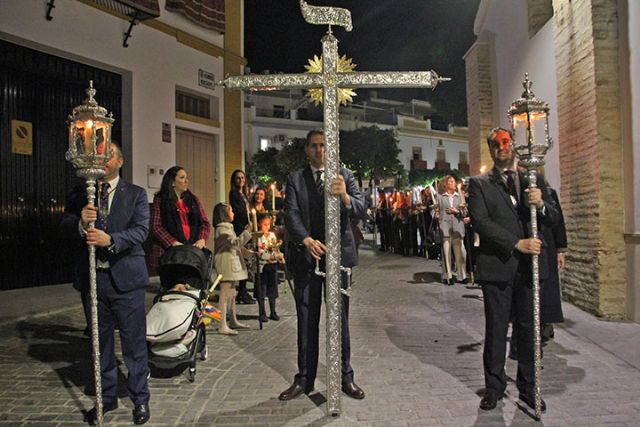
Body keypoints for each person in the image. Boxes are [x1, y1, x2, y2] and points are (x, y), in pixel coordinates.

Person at [468, 127, 558, 413]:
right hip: (498, 267)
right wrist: (516, 243)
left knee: (528, 330)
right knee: (495, 329)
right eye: (496, 144)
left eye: (506, 142)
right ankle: (494, 387)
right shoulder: (479, 184)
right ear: (491, 149)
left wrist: (540, 204)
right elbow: (481, 222)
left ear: (513, 146)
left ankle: (530, 388)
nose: (502, 147)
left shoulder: (535, 180)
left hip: (530, 269)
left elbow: (554, 218)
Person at [60, 144, 151, 425]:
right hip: (93, 282)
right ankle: (106, 398)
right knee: (101, 345)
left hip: (126, 280)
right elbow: (63, 224)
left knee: (134, 344)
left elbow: (141, 231)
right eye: (100, 152)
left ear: (120, 161)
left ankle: (140, 399)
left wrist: (111, 240)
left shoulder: (135, 194)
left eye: (108, 153)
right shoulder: (81, 194)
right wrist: (79, 224)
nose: (102, 157)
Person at [278, 129, 366, 401]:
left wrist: (345, 197)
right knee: (307, 319)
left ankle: (345, 377)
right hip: (307, 258)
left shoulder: (344, 175)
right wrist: (305, 239)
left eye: (324, 146)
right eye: (314, 146)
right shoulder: (295, 178)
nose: (319, 151)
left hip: (339, 258)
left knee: (340, 319)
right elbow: (290, 212)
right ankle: (304, 379)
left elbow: (362, 207)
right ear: (306, 149)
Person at [149, 166, 211, 269]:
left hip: (192, 252)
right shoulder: (161, 200)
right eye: (182, 178)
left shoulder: (193, 200)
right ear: (172, 182)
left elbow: (205, 223)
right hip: (169, 252)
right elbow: (155, 226)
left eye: (186, 178)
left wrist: (202, 239)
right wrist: (173, 242)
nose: (186, 181)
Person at [212, 202, 253, 335]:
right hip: (225, 262)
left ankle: (233, 320)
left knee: (232, 293)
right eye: (231, 211)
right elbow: (234, 243)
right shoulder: (221, 229)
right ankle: (222, 324)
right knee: (225, 294)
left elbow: (235, 245)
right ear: (224, 214)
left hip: (231, 262)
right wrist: (247, 232)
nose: (233, 213)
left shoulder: (228, 227)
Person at [229, 169, 256, 304]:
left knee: (247, 261)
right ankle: (242, 291)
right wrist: (244, 227)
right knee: (243, 260)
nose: (241, 180)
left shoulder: (244, 195)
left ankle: (244, 290)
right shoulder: (234, 194)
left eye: (243, 178)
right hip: (241, 229)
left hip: (248, 228)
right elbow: (238, 213)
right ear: (234, 181)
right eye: (238, 178)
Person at [435, 175, 468, 285]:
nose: (454, 183)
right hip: (445, 227)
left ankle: (461, 275)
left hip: (458, 227)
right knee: (446, 252)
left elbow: (465, 212)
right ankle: (447, 276)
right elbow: (435, 209)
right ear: (446, 184)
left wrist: (457, 211)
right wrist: (435, 214)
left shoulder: (459, 196)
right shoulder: (440, 196)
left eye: (454, 181)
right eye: (451, 181)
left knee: (461, 253)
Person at [255, 214, 284, 322]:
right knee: (261, 289)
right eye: (264, 224)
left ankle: (273, 311)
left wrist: (279, 255)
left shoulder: (272, 235)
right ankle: (262, 312)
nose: (266, 227)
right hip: (262, 267)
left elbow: (275, 248)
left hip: (272, 266)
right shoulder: (257, 237)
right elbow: (260, 252)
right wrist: (272, 255)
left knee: (273, 289)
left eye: (268, 224)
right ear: (259, 224)